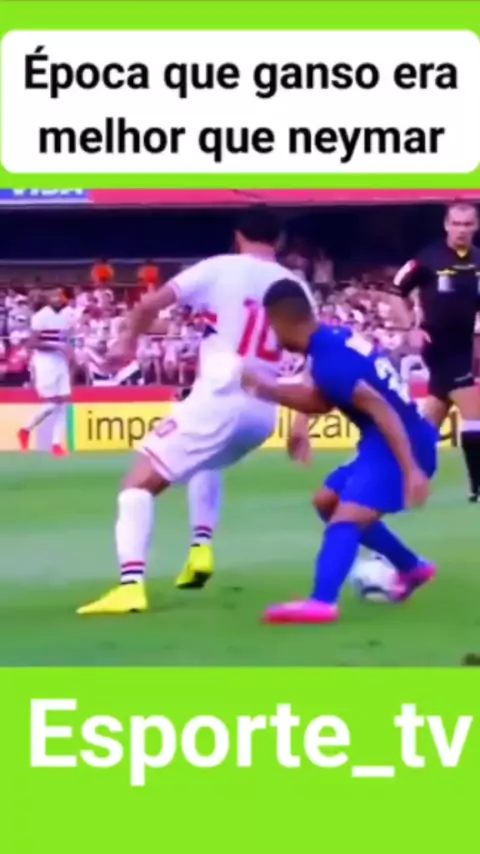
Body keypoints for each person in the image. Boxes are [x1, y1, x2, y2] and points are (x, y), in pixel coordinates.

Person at [77, 207, 315, 615]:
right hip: (264, 413)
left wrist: (127, 342)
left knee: (136, 486)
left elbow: (149, 304)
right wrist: (301, 424)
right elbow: (315, 358)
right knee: (208, 462)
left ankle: (130, 586)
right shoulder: (297, 287)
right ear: (279, 241)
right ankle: (200, 546)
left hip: (220, 396)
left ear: (238, 235)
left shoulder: (219, 267)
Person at [241, 278, 437, 625]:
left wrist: (411, 470)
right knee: (326, 502)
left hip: (400, 442)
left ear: (281, 320)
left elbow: (382, 410)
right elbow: (320, 396)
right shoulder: (329, 340)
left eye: (271, 324)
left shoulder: (331, 361)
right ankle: (412, 567)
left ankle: (322, 602)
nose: (271, 334)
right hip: (385, 440)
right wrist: (297, 421)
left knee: (347, 518)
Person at [389, 201, 480, 501]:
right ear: (446, 226)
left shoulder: (478, 260)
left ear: (476, 226)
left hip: (463, 346)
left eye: (467, 224)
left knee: (431, 421)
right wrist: (410, 327)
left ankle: (402, 479)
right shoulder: (428, 258)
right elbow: (395, 292)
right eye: (456, 224)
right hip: (437, 345)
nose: (461, 230)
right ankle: (477, 488)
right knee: (475, 413)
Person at [17, 286, 72, 456]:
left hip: (60, 361)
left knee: (64, 402)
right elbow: (32, 343)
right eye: (54, 296)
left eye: (60, 296)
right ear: (48, 299)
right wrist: (57, 347)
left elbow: (65, 340)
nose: (58, 299)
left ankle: (56, 444)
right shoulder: (40, 317)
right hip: (45, 362)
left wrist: (69, 351)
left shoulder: (65, 317)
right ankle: (26, 429)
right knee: (51, 404)